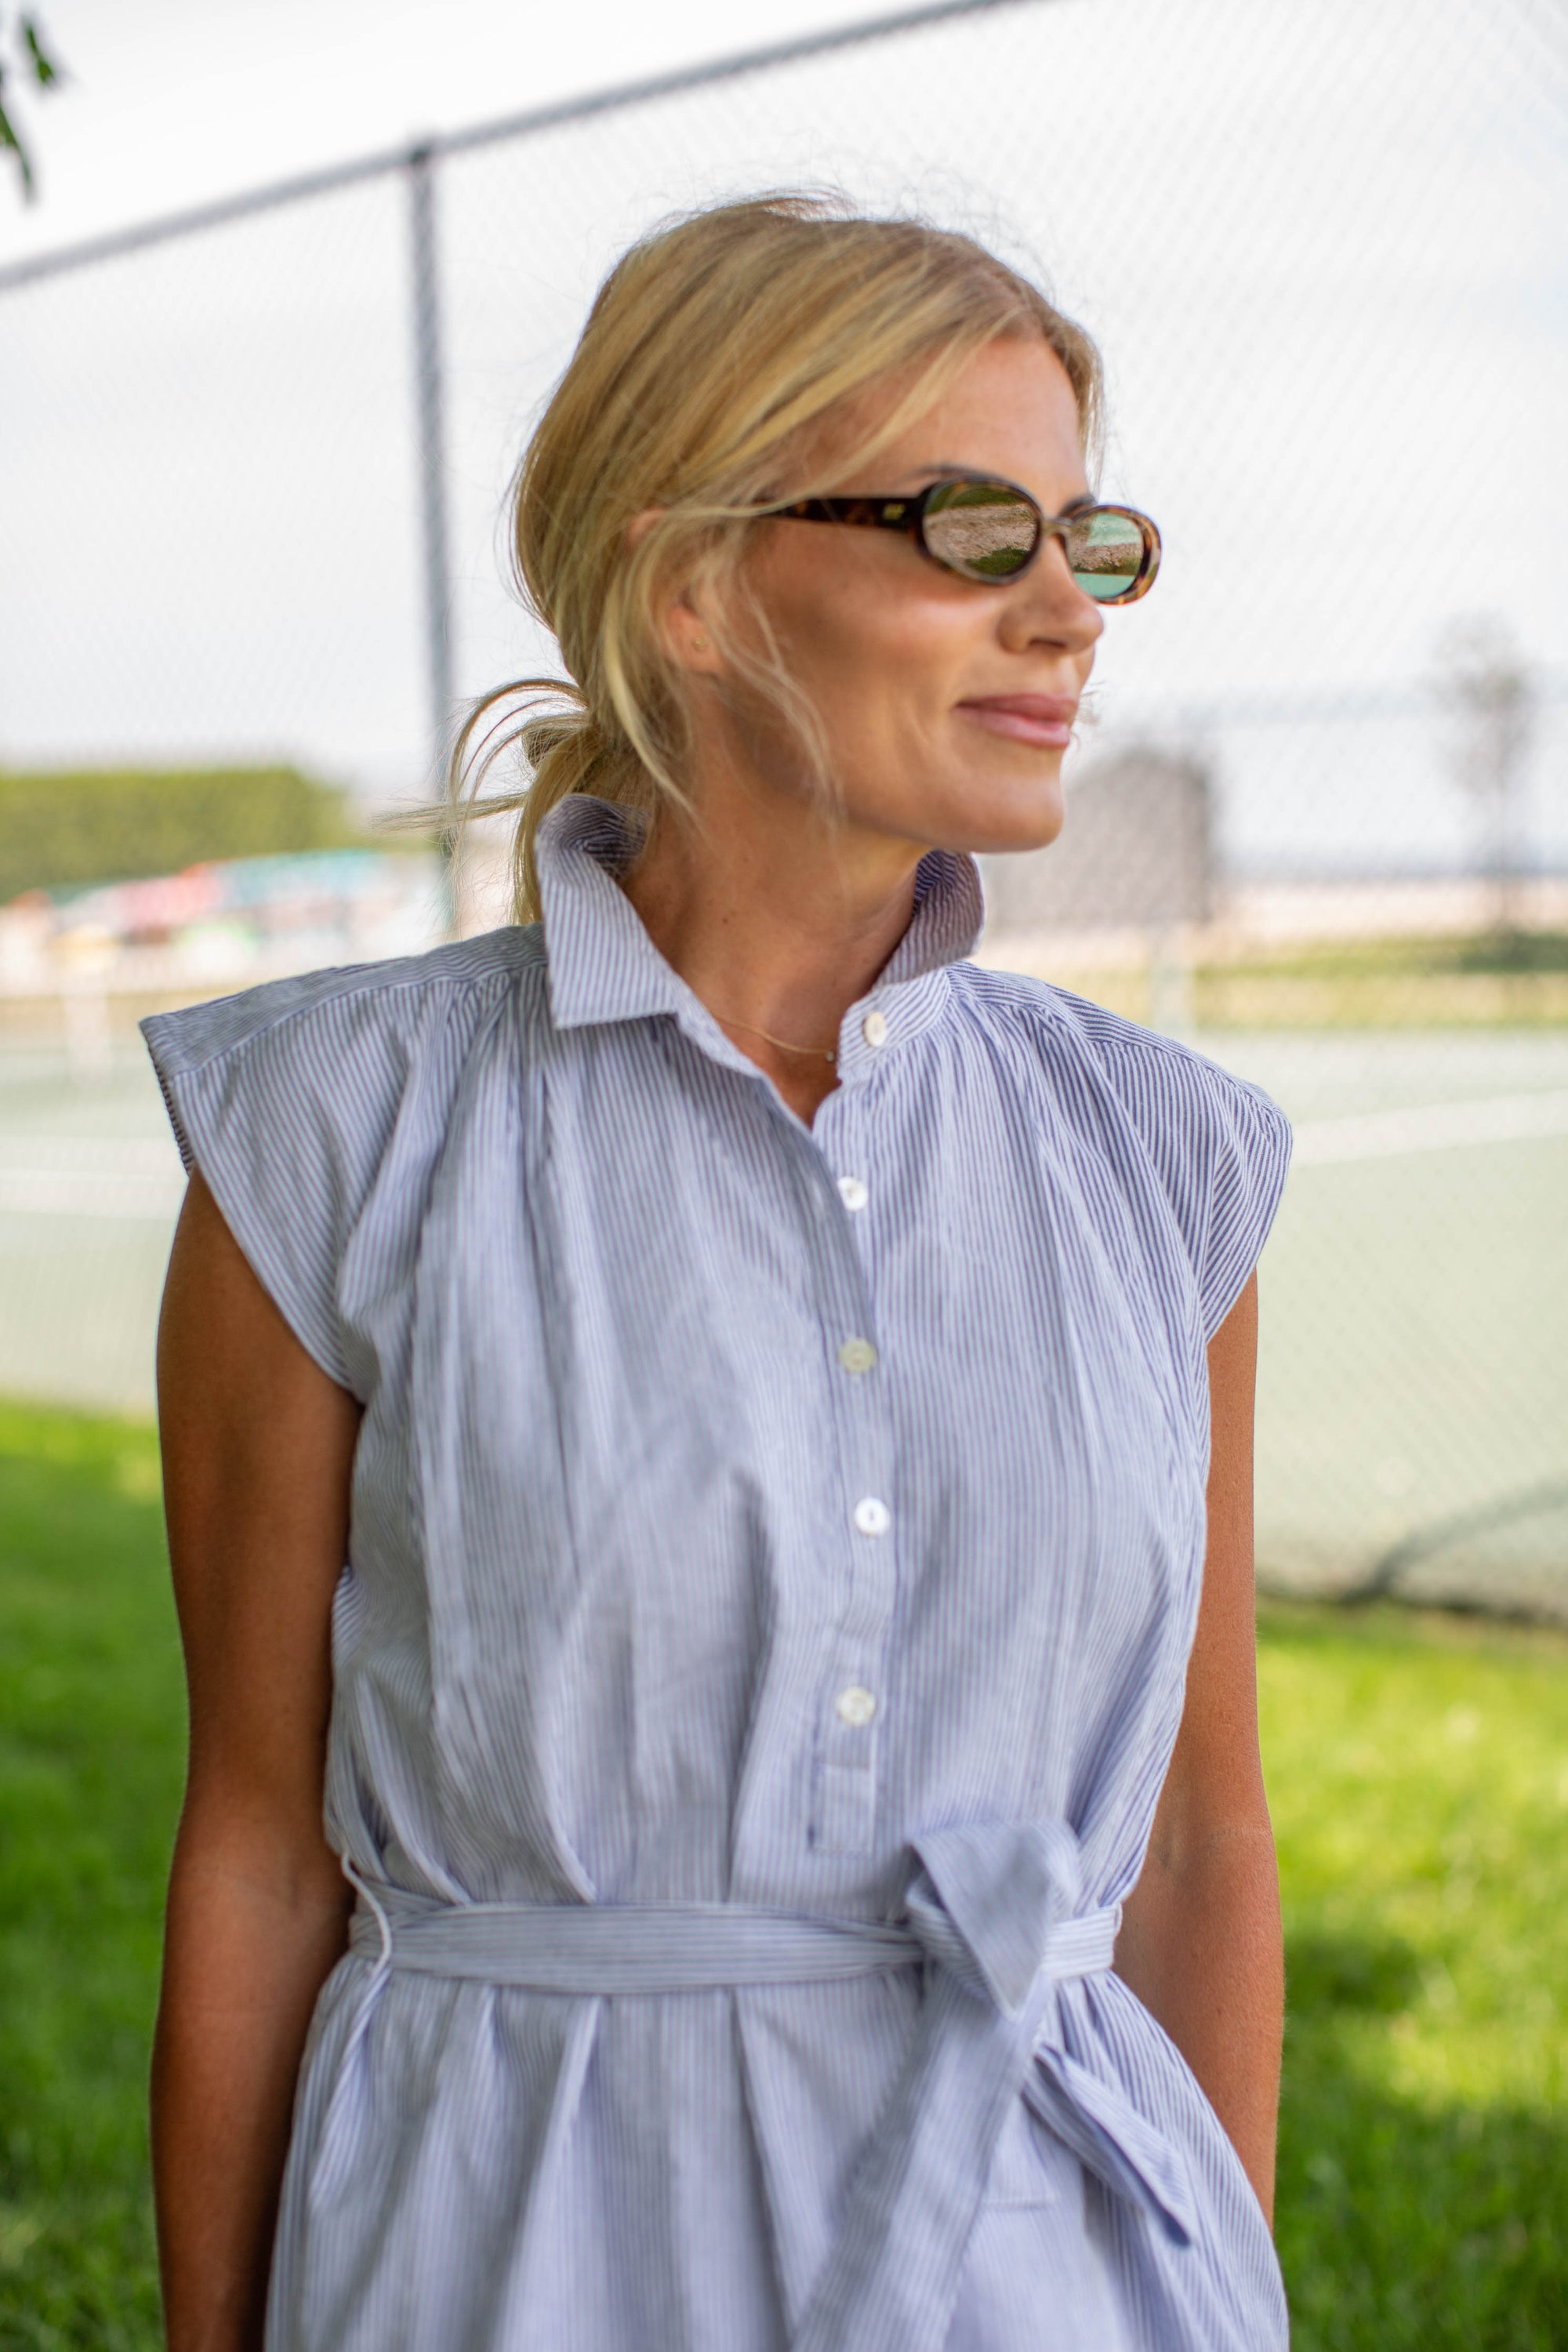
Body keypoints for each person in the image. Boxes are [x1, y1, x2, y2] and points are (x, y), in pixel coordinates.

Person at [146, 194, 1291, 2352]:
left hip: (1055, 2280)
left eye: (1090, 539)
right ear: (689, 583)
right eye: (977, 528)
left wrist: (1201, 2281)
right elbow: (258, 1862)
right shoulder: (327, 1138)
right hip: (503, 2258)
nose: (1070, 614)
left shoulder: (1168, 1166)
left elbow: (1206, 1858)